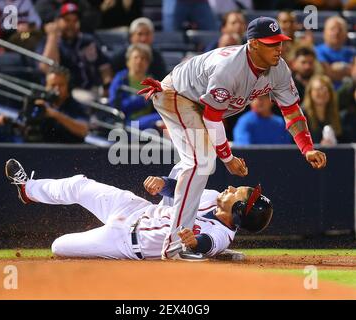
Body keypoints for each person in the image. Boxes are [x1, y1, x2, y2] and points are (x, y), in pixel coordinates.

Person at [138, 17, 327, 260]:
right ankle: (174, 245)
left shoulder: (279, 68)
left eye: (279, 41)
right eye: (271, 43)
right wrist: (227, 158)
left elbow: (291, 110)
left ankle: (188, 227)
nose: (278, 48)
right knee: (201, 162)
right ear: (254, 44)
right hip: (177, 94)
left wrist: (307, 148)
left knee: (198, 161)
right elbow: (213, 117)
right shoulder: (231, 68)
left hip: (199, 102)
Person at [4, 158, 273, 260]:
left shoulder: (221, 235)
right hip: (135, 209)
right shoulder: (213, 196)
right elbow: (177, 190)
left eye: (239, 193)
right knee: (79, 185)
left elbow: (205, 243)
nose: (232, 188)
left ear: (238, 212)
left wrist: (196, 244)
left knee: (58, 247)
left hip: (124, 242)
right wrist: (162, 184)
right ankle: (29, 189)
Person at [0, 67, 89, 143]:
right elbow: (22, 124)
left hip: (70, 154)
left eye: (61, 85)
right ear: (46, 86)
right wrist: (7, 120)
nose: (56, 89)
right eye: (53, 85)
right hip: (39, 152)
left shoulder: (76, 106)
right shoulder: (38, 103)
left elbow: (83, 131)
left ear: (68, 86)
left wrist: (54, 114)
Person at [38, 3, 112, 92]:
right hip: (67, 92)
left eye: (75, 20)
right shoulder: (49, 42)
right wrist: (52, 37)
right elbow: (47, 68)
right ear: (57, 21)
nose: (71, 25)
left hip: (94, 89)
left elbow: (104, 66)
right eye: (67, 20)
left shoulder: (87, 40)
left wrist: (107, 87)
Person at [109, 43, 161, 130]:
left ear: (148, 63)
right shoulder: (121, 79)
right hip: (127, 123)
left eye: (143, 58)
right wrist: (142, 100)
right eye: (136, 57)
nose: (139, 61)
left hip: (149, 121)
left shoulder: (153, 82)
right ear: (128, 62)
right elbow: (116, 105)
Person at [315, 16, 355, 89]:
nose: (336, 32)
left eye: (340, 29)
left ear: (346, 33)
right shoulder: (316, 51)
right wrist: (348, 70)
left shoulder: (353, 52)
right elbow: (325, 72)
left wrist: (332, 69)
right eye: (332, 29)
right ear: (324, 32)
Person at [302, 75, 342, 145]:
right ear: (310, 93)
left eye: (326, 90)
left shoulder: (337, 116)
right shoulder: (301, 116)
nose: (322, 93)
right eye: (318, 89)